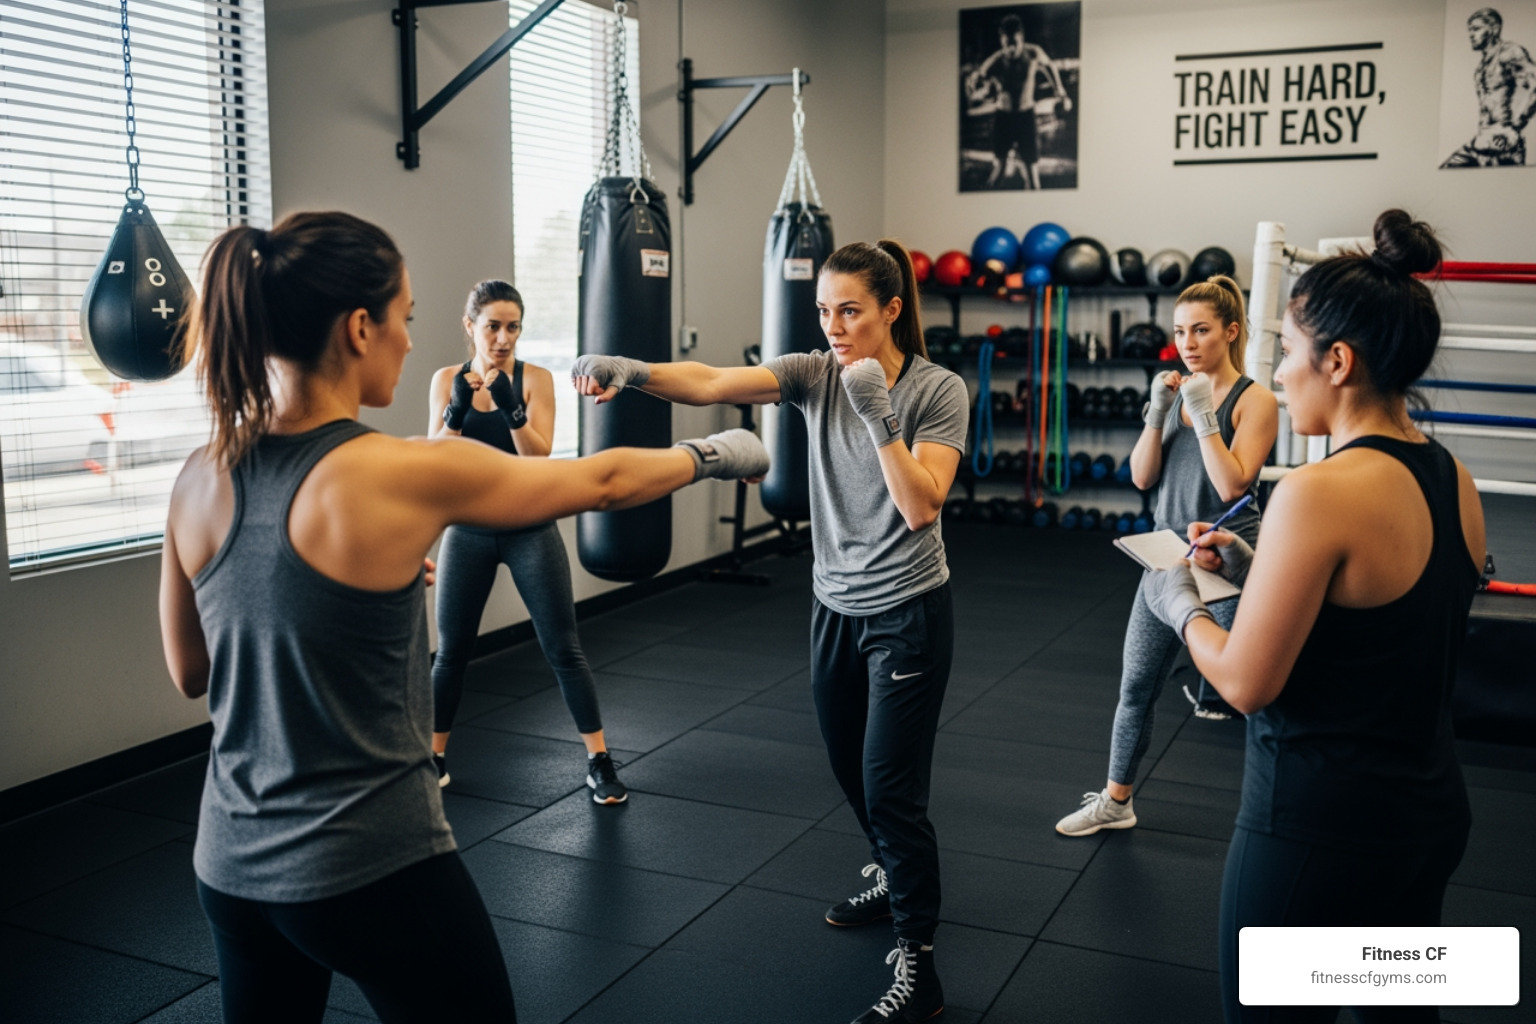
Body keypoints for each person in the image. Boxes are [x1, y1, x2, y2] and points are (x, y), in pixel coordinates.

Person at [158, 211, 767, 1023]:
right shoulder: (396, 469)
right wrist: (710, 455)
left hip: (228, 865)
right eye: (405, 319)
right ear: (359, 328)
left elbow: (192, 671)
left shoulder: (200, 473)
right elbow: (602, 482)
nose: (411, 341)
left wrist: (333, 599)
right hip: (371, 865)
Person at [572, 239, 968, 1024]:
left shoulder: (937, 389)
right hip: (833, 607)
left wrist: (877, 414)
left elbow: (922, 506)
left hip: (907, 613)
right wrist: (633, 368)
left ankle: (919, 965)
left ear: (891, 310)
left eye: (850, 310)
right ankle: (894, 873)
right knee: (850, 770)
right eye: (824, 311)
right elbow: (715, 380)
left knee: (891, 789)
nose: (834, 326)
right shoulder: (813, 372)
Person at [1143, 210, 1484, 1023]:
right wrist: (1255, 569)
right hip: (1425, 819)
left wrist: (1177, 602)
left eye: (1289, 353)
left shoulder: (1315, 492)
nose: (1282, 373)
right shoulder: (1453, 479)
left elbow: (1245, 683)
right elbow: (1377, 617)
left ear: (1337, 361)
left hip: (1316, 829)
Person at [1055, 274, 1278, 838]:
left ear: (1230, 332)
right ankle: (1116, 800)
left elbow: (1232, 485)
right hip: (1166, 556)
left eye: (1201, 330)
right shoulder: (1177, 390)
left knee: (1250, 696)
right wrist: (1158, 412)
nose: (1188, 342)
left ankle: (1284, 813)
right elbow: (1141, 476)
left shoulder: (1256, 400)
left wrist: (1204, 415)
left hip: (1227, 558)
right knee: (1136, 685)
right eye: (1180, 331)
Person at [427, 280, 625, 803]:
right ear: (470, 326)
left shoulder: (534, 379)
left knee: (563, 646)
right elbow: (435, 462)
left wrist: (511, 407)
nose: (503, 338)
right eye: (492, 325)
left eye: (513, 327)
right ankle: (434, 757)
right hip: (468, 531)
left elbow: (536, 459)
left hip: (529, 528)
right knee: (451, 652)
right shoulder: (447, 379)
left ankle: (599, 759)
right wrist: (456, 410)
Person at [967, 12, 1072, 188]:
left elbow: (1049, 65)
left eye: (1015, 43)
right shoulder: (996, 61)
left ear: (1021, 38)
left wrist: (1058, 88)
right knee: (999, 170)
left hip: (1026, 117)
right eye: (1007, 44)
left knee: (1032, 175)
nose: (1011, 49)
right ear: (1002, 40)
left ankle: (1035, 212)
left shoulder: (1033, 53)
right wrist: (973, 82)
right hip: (1004, 118)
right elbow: (979, 76)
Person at [1440, 7, 1536, 168]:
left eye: (1476, 29)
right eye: (1470, 30)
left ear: (1494, 29)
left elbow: (1534, 86)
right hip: (1481, 142)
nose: (1471, 34)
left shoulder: (1509, 52)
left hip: (1504, 143)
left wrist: (1514, 127)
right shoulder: (1481, 67)